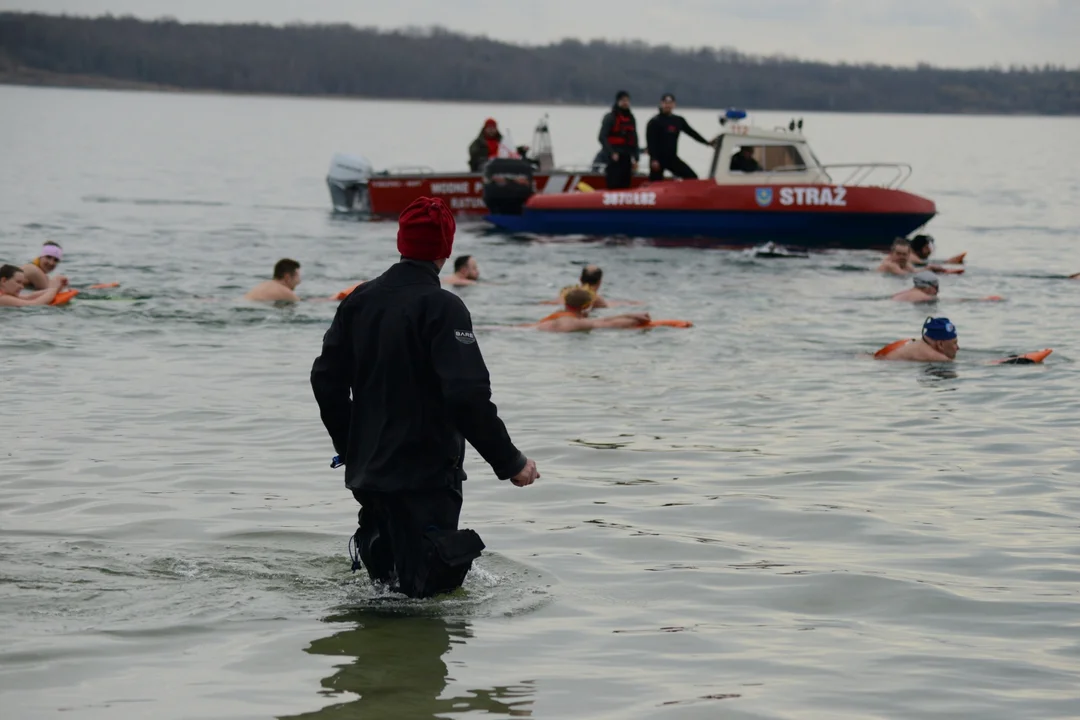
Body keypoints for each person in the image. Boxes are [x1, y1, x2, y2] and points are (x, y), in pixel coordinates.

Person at [311, 197, 539, 599]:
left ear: (401, 242)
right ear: (445, 249)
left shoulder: (359, 300)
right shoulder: (443, 307)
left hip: (370, 478)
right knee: (425, 597)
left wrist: (350, 447)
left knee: (383, 590)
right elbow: (467, 396)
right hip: (425, 478)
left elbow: (325, 380)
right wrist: (511, 462)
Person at [645, 93, 715, 181]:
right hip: (658, 159)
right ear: (661, 104)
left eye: (670, 103)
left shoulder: (678, 120)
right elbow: (650, 142)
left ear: (674, 104)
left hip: (672, 158)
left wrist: (707, 142)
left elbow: (692, 133)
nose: (668, 105)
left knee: (692, 177)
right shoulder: (654, 122)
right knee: (655, 183)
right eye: (665, 103)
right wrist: (654, 159)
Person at [535, 287, 651, 332]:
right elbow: (608, 324)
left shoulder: (556, 316)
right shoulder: (576, 323)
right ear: (586, 307)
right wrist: (635, 319)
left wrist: (630, 314)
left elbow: (602, 320)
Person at [598, 91, 640, 190]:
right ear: (618, 102)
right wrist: (611, 152)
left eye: (627, 101)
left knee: (626, 182)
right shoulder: (610, 117)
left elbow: (634, 138)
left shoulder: (631, 118)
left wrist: (636, 157)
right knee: (614, 182)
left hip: (627, 155)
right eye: (623, 101)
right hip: (614, 156)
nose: (625, 103)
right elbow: (602, 137)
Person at [874, 317, 959, 362]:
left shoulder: (917, 343)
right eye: (954, 343)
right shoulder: (933, 356)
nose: (958, 348)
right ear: (940, 344)